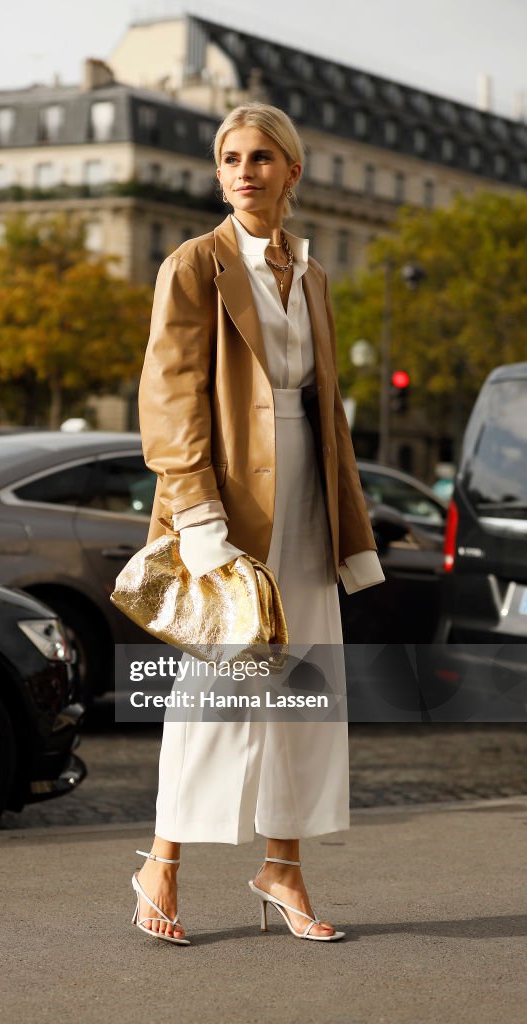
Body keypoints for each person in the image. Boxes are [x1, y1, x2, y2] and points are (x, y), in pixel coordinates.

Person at [130, 103, 385, 945]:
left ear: (293, 172)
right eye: (231, 157)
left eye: (263, 157)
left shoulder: (311, 276)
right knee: (215, 694)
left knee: (307, 688)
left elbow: (328, 410)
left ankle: (282, 867)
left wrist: (351, 527)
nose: (245, 170)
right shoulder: (193, 265)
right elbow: (169, 400)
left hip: (307, 500)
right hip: (227, 507)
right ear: (218, 174)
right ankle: (160, 864)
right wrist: (197, 512)